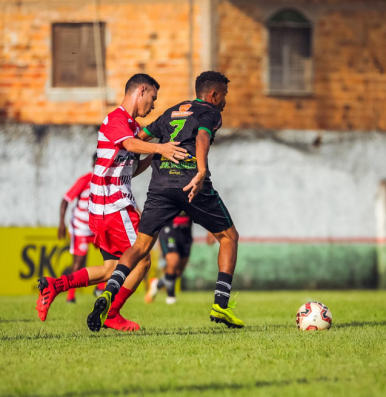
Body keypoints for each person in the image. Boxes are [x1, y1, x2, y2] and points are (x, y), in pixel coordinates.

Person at [88, 71, 243, 332]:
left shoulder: (171, 111)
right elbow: (202, 137)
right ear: (213, 94)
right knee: (229, 237)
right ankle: (221, 304)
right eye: (224, 96)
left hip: (160, 186)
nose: (224, 101)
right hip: (189, 182)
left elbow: (140, 139)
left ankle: (109, 291)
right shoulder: (211, 112)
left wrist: (138, 158)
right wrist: (201, 171)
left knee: (140, 246)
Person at [35, 73, 187, 331]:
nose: (153, 105)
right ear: (141, 91)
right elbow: (130, 143)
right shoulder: (117, 120)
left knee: (110, 269)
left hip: (102, 209)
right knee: (142, 259)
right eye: (152, 98)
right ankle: (113, 314)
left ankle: (55, 285)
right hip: (115, 207)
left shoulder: (131, 127)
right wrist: (160, 149)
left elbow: (131, 166)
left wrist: (162, 146)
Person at [58, 153, 105, 303]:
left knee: (110, 256)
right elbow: (65, 200)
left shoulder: (107, 181)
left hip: (97, 227)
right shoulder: (86, 180)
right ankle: (70, 296)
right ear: (93, 164)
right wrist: (61, 223)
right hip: (81, 226)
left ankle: (100, 288)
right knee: (79, 262)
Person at [145, 215, 217, 304]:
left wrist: (211, 230)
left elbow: (204, 210)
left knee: (178, 272)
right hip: (169, 231)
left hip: (186, 233)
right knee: (173, 261)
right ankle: (171, 297)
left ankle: (157, 284)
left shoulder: (194, 200)